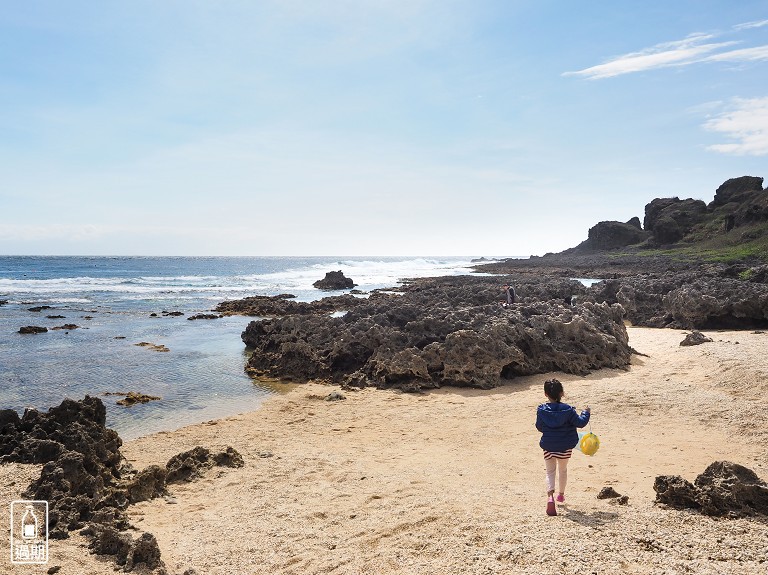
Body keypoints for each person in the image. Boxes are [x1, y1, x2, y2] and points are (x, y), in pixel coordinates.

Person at [535, 378, 590, 516]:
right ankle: (561, 495)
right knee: (563, 470)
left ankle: (550, 497)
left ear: (545, 394)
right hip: (565, 447)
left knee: (550, 472)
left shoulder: (542, 410)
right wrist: (586, 412)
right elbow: (581, 423)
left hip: (548, 446)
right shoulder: (568, 410)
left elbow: (539, 427)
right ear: (561, 393)